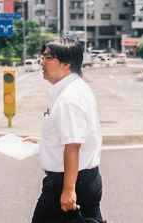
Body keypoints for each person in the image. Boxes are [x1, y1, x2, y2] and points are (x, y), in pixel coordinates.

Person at [24, 38, 104, 223]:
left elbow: (73, 145)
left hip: (68, 181)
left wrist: (68, 190)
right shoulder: (73, 89)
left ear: (66, 64)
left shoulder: (69, 97)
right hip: (83, 179)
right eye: (42, 57)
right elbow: (71, 135)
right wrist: (43, 141)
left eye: (48, 58)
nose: (42, 63)